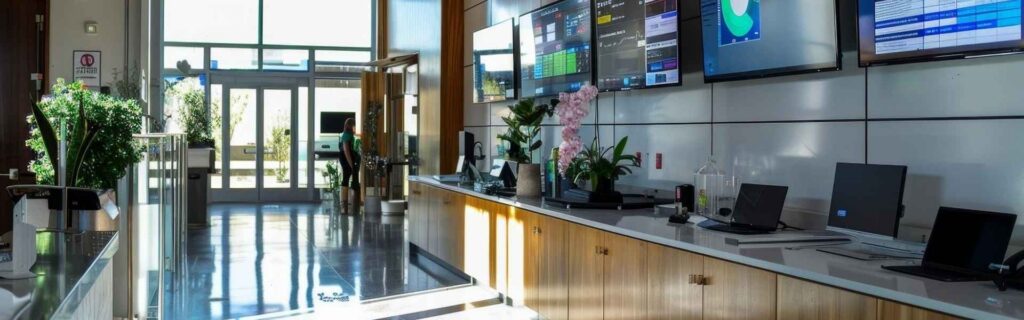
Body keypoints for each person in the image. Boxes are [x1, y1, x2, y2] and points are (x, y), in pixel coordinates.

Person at [340, 118, 360, 214]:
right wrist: (351, 164)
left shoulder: (346, 134)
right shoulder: (346, 135)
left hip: (346, 157)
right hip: (346, 158)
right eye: (353, 125)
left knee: (346, 178)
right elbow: (346, 151)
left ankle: (346, 207)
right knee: (346, 178)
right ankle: (345, 207)